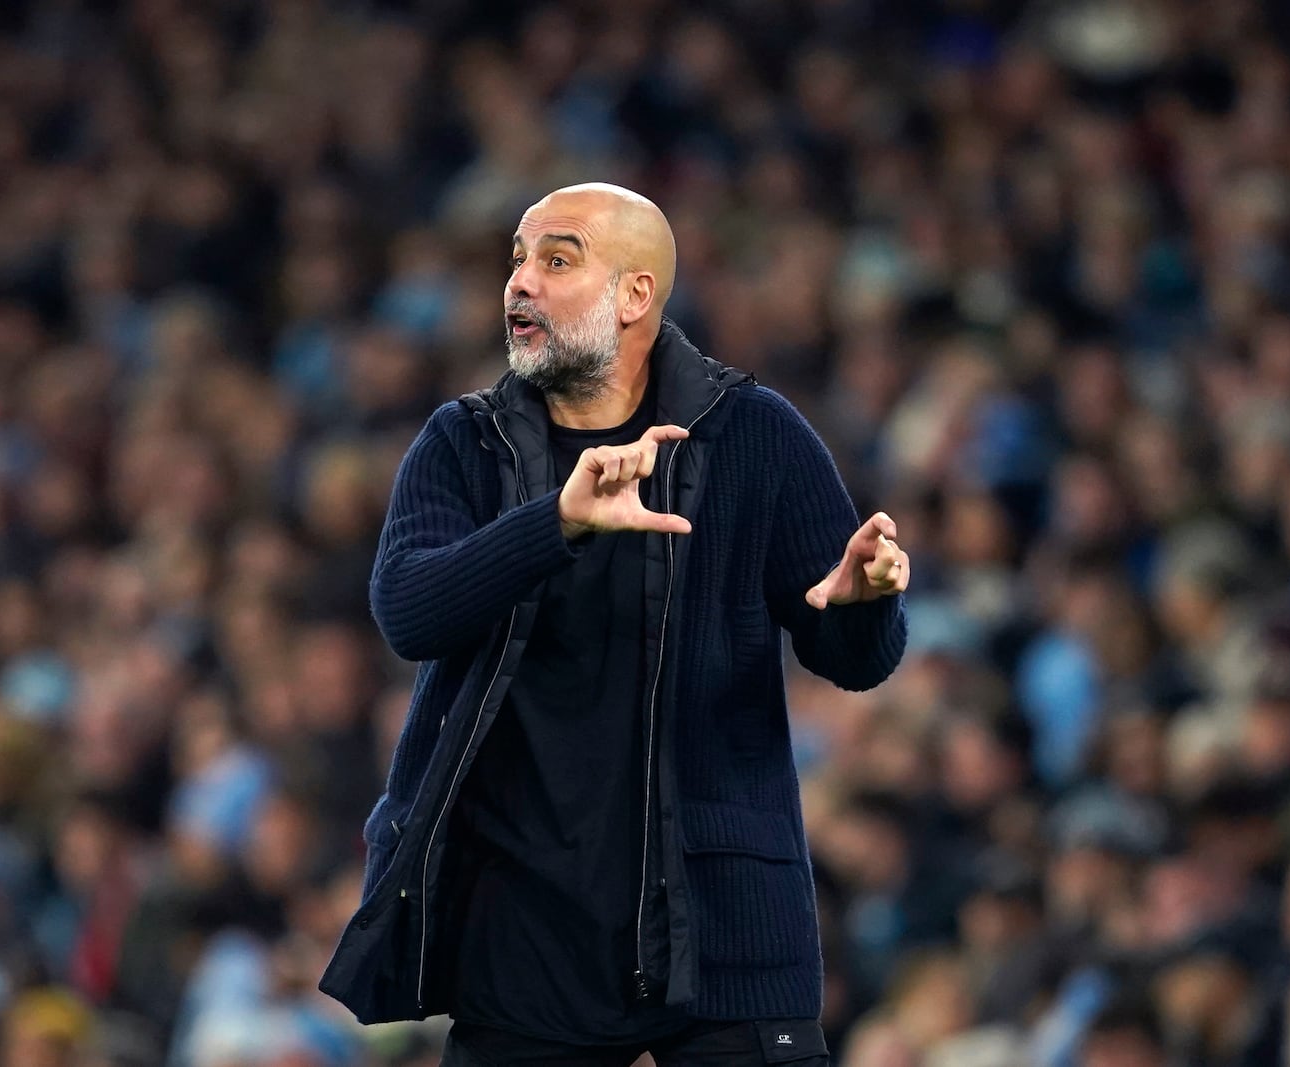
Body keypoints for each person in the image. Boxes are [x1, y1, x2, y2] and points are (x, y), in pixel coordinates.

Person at [319, 183, 910, 1065]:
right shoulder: (461, 444)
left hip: (724, 927)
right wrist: (554, 523)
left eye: (557, 260)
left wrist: (867, 608)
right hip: (523, 930)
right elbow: (408, 609)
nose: (521, 282)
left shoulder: (754, 433)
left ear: (636, 294)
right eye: (517, 259)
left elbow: (853, 656)